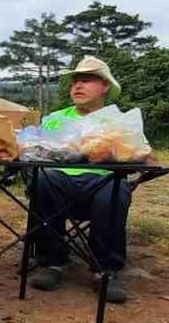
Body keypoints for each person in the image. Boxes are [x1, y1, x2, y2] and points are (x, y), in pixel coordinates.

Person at [28, 54, 139, 305]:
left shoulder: (119, 120)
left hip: (101, 183)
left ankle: (106, 271)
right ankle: (52, 262)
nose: (78, 85)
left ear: (105, 87)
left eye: (87, 80)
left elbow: (138, 153)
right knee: (42, 180)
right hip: (59, 182)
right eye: (75, 81)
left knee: (115, 190)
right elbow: (36, 149)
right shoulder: (55, 118)